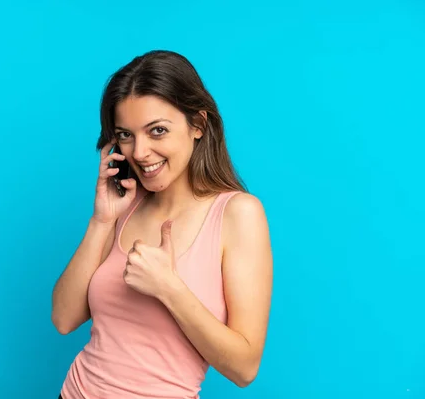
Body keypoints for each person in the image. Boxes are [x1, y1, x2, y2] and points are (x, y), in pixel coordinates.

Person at [51, 49, 273, 399]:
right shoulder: (124, 204)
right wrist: (102, 220)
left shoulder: (238, 214)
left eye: (157, 131)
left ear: (198, 125)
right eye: (126, 135)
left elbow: (244, 368)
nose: (139, 152)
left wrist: (168, 288)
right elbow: (63, 319)